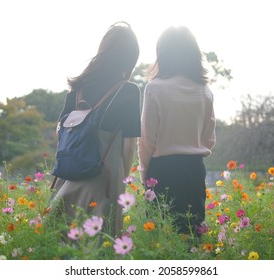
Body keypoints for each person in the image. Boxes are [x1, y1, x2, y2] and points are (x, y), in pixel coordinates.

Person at [49, 22, 141, 238]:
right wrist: (122, 180)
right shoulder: (128, 90)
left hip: (67, 177)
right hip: (104, 179)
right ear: (130, 57)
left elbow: (60, 130)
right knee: (100, 244)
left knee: (59, 242)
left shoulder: (78, 87)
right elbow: (129, 147)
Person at [137, 26, 216, 235]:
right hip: (194, 170)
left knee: (159, 237)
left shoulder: (154, 89)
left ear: (162, 53)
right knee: (191, 233)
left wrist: (145, 173)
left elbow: (146, 140)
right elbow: (209, 139)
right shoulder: (205, 91)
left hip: (162, 171)